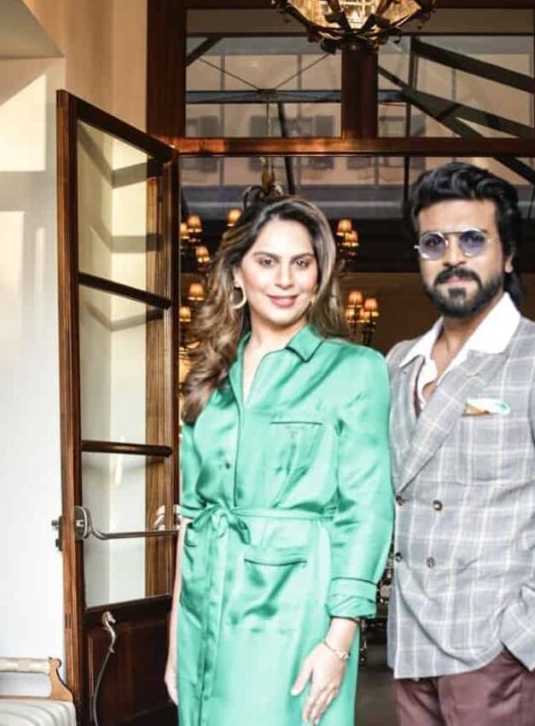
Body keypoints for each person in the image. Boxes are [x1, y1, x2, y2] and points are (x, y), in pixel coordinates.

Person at [386, 162, 535, 725]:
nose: (453, 257)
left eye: (473, 239)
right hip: (410, 647)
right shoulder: (398, 364)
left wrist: (525, 635)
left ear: (508, 255)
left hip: (497, 652)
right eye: (434, 243)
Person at [165, 197, 394, 726]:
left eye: (301, 263)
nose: (285, 279)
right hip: (204, 613)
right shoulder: (207, 381)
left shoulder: (356, 370)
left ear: (319, 276)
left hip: (296, 615)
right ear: (236, 273)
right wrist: (178, 640)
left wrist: (338, 642)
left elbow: (366, 511)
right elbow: (193, 521)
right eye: (267, 261)